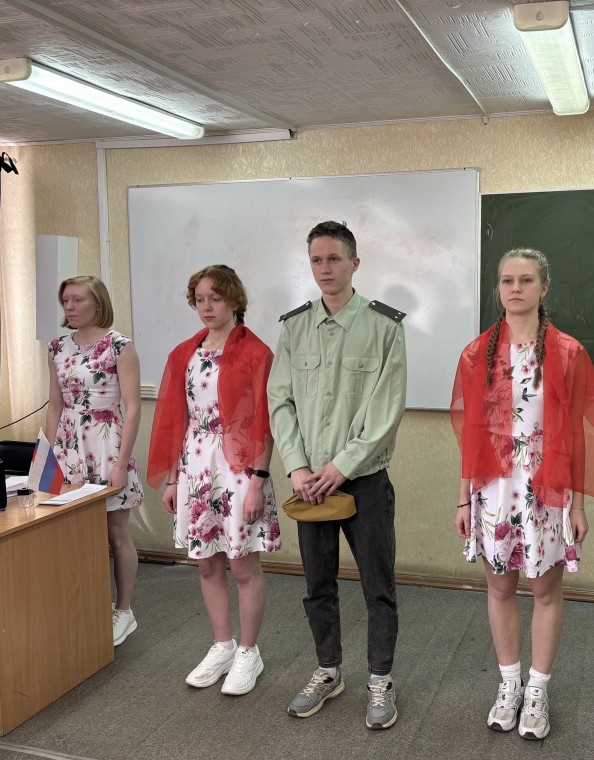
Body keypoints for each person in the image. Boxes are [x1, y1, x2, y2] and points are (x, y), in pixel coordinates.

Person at [451, 248, 594, 740]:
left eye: (526, 280)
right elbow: (471, 436)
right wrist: (463, 498)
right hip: (493, 491)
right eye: (507, 280)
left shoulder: (568, 352)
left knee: (545, 590)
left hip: (547, 491)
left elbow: (579, 434)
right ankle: (509, 684)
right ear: (499, 288)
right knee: (500, 588)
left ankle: (539, 689)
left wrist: (579, 504)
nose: (516, 288)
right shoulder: (475, 353)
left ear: (544, 288)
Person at [267, 220, 407, 729]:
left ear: (354, 263)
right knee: (317, 584)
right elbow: (280, 401)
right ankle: (328, 670)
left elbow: (386, 411)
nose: (325, 268)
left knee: (378, 586)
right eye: (316, 260)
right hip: (309, 485)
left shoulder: (385, 326)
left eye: (334, 258)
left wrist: (339, 466)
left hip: (363, 479)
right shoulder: (295, 327)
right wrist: (298, 467)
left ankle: (380, 679)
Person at [148, 265, 280, 696]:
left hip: (239, 468)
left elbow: (264, 423)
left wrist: (258, 482)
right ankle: (222, 645)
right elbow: (176, 420)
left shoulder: (257, 352)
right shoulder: (184, 353)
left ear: (234, 300)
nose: (206, 307)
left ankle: (248, 652)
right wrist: (173, 480)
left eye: (215, 298)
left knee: (242, 564)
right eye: (199, 299)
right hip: (195, 465)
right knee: (206, 561)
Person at [47, 275, 144, 647]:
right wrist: (48, 457)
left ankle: (124, 611)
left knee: (116, 534)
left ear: (98, 303)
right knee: (74, 535)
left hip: (106, 444)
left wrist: (121, 463)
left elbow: (133, 408)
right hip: (68, 445)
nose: (69, 307)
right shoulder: (57, 347)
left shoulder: (120, 346)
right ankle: (87, 606)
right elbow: (55, 406)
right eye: (66, 301)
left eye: (77, 300)